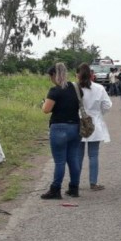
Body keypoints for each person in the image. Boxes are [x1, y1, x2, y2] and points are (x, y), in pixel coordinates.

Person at [41, 62, 82, 199]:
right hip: (75, 127)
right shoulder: (76, 88)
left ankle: (55, 189)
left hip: (59, 127)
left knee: (59, 161)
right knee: (73, 159)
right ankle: (74, 187)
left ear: (54, 75)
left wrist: (43, 103)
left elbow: (46, 110)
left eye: (50, 76)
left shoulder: (55, 91)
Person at [76, 63, 112, 191]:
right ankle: (93, 182)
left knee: (77, 155)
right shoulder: (99, 88)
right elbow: (107, 105)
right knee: (93, 155)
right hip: (94, 124)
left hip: (78, 123)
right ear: (92, 75)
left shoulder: (74, 88)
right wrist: (98, 113)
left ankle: (76, 182)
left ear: (77, 75)